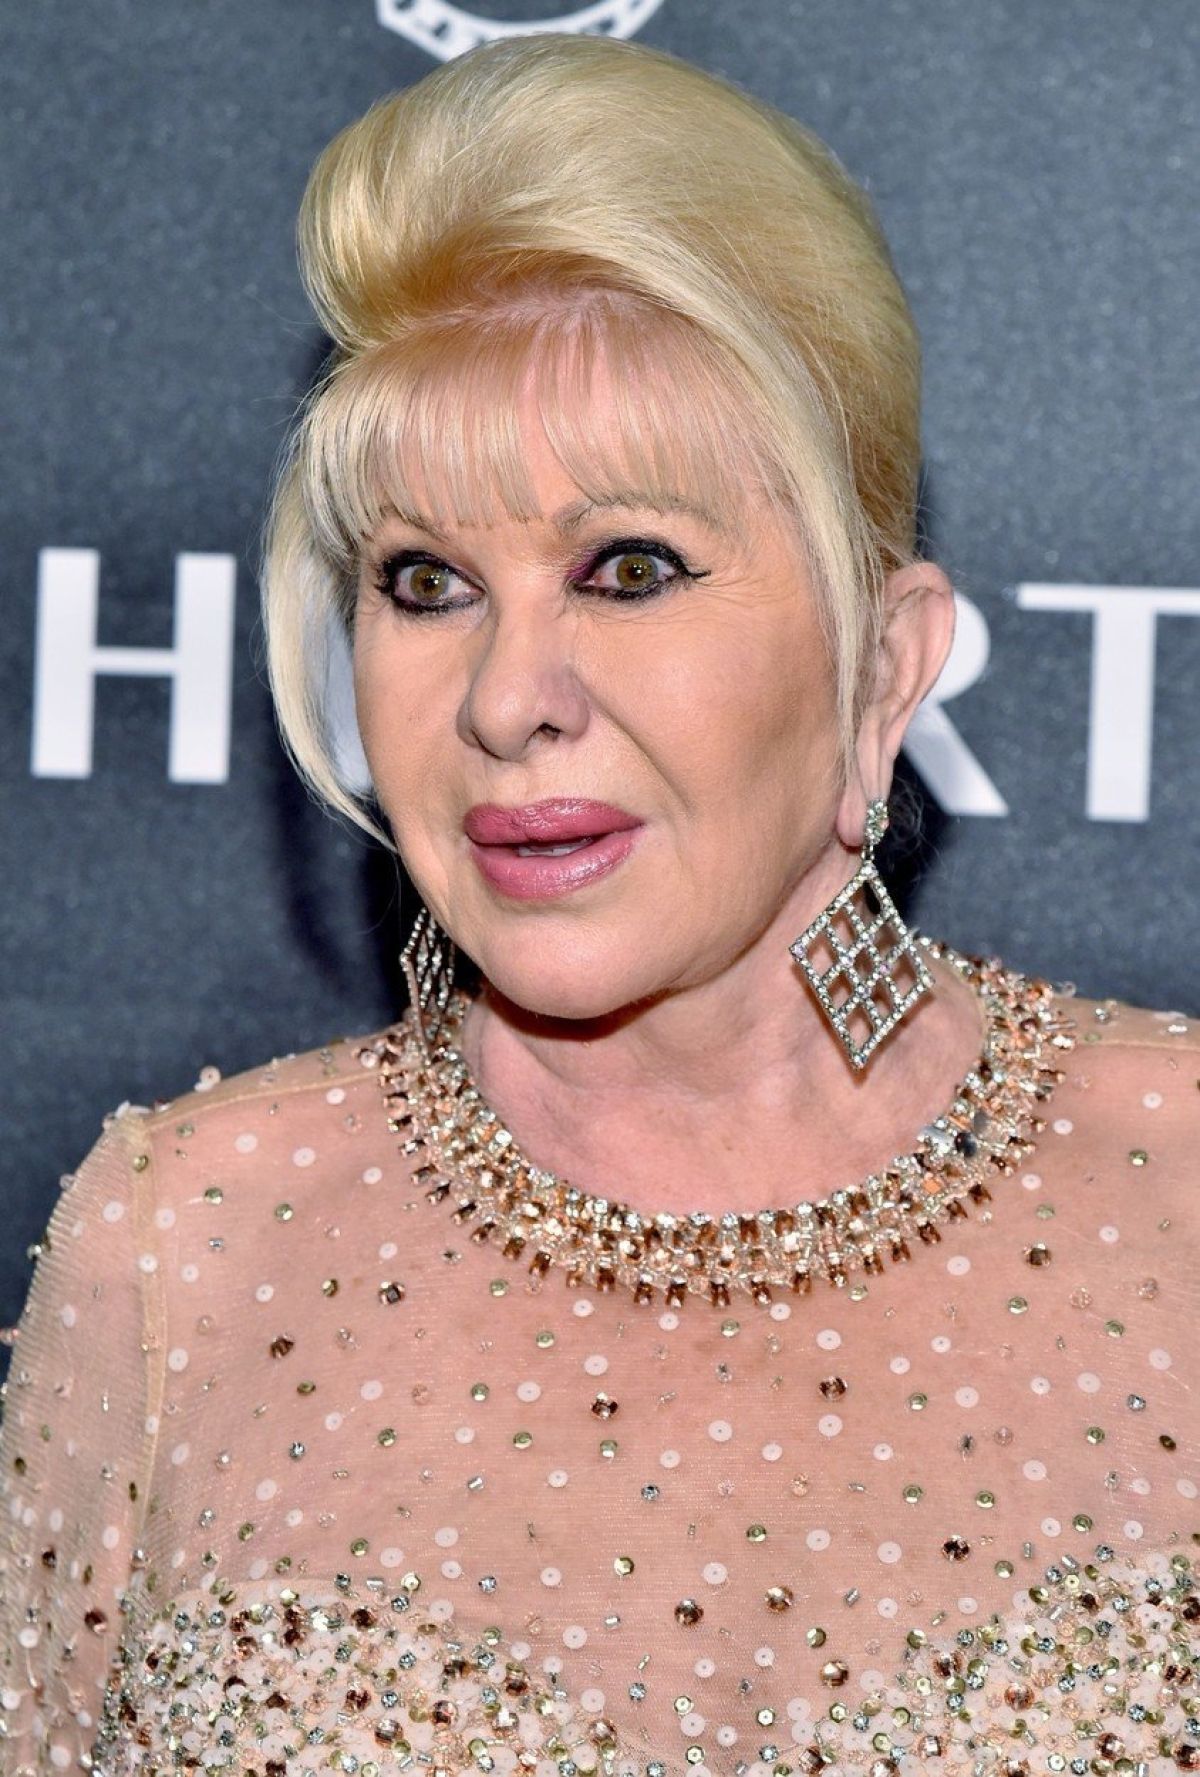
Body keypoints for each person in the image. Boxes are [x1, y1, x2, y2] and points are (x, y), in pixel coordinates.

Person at [2, 30, 1196, 1776]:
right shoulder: (186, 1244)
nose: (507, 698)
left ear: (884, 670)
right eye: (426, 581)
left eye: (629, 568)